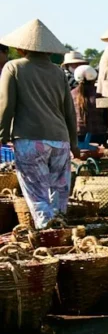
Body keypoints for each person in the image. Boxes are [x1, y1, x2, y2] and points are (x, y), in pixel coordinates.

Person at [0, 20, 80, 229]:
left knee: (37, 194)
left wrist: (2, 136)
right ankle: (61, 232)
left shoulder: (13, 67)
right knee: (59, 195)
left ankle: (47, 235)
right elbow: (69, 111)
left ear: (21, 47)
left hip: (30, 140)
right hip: (60, 142)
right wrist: (74, 143)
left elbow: (6, 105)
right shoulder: (58, 72)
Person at [71, 65, 108, 147]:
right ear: (94, 78)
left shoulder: (71, 94)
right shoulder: (100, 94)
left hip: (77, 137)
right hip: (99, 137)